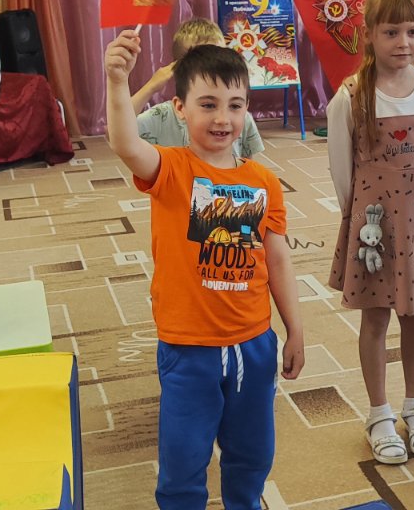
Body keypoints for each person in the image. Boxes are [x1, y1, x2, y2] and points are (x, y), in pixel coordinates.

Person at [104, 29, 305, 510]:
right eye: (208, 104)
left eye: (235, 106)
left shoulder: (264, 181)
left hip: (253, 343)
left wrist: (295, 328)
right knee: (183, 461)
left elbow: (277, 257)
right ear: (180, 108)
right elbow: (125, 143)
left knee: (253, 454)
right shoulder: (170, 169)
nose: (222, 118)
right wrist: (116, 81)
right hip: (188, 346)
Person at [325, 0, 414, 464]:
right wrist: (357, 220)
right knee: (376, 316)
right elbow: (342, 170)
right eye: (391, 32)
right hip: (373, 224)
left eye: (412, 31)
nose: (404, 42)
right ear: (369, 35)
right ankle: (378, 413)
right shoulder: (351, 96)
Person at [135, 17, 265, 158]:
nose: (222, 119)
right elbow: (120, 131)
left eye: (219, 59)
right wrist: (150, 87)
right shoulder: (161, 117)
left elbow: (248, 164)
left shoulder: (240, 116)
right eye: (208, 105)